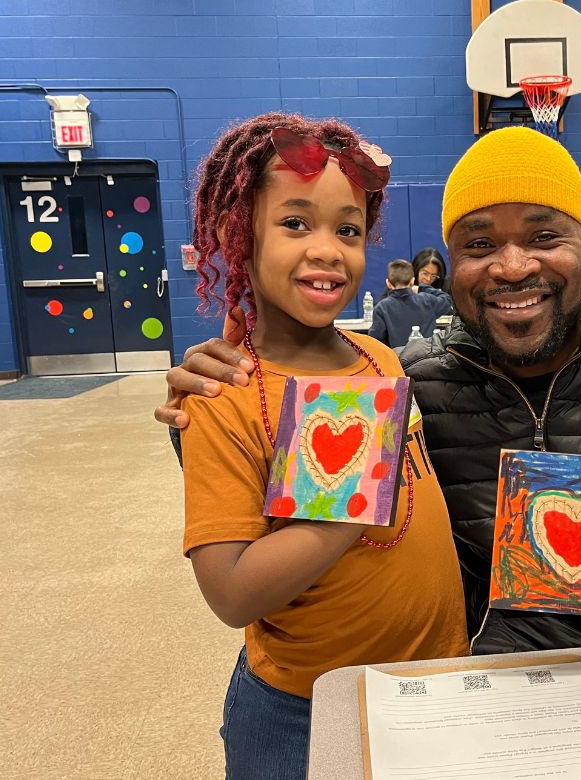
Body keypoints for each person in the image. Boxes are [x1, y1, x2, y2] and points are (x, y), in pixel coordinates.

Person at [156, 126, 581, 657]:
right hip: (493, 691)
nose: (513, 266)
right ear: (449, 265)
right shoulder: (414, 381)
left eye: (545, 236)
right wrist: (217, 390)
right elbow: (287, 470)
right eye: (479, 243)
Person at [176, 112, 467, 778]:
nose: (328, 249)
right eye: (295, 223)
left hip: (435, 679)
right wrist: (357, 501)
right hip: (301, 710)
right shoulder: (225, 391)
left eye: (348, 230)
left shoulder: (380, 360)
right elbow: (231, 594)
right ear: (239, 236)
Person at [369, 258, 453, 347]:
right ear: (412, 281)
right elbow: (447, 300)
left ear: (388, 283)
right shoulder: (427, 300)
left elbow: (375, 341)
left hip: (397, 358)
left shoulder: (381, 308)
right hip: (427, 357)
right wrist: (422, 288)